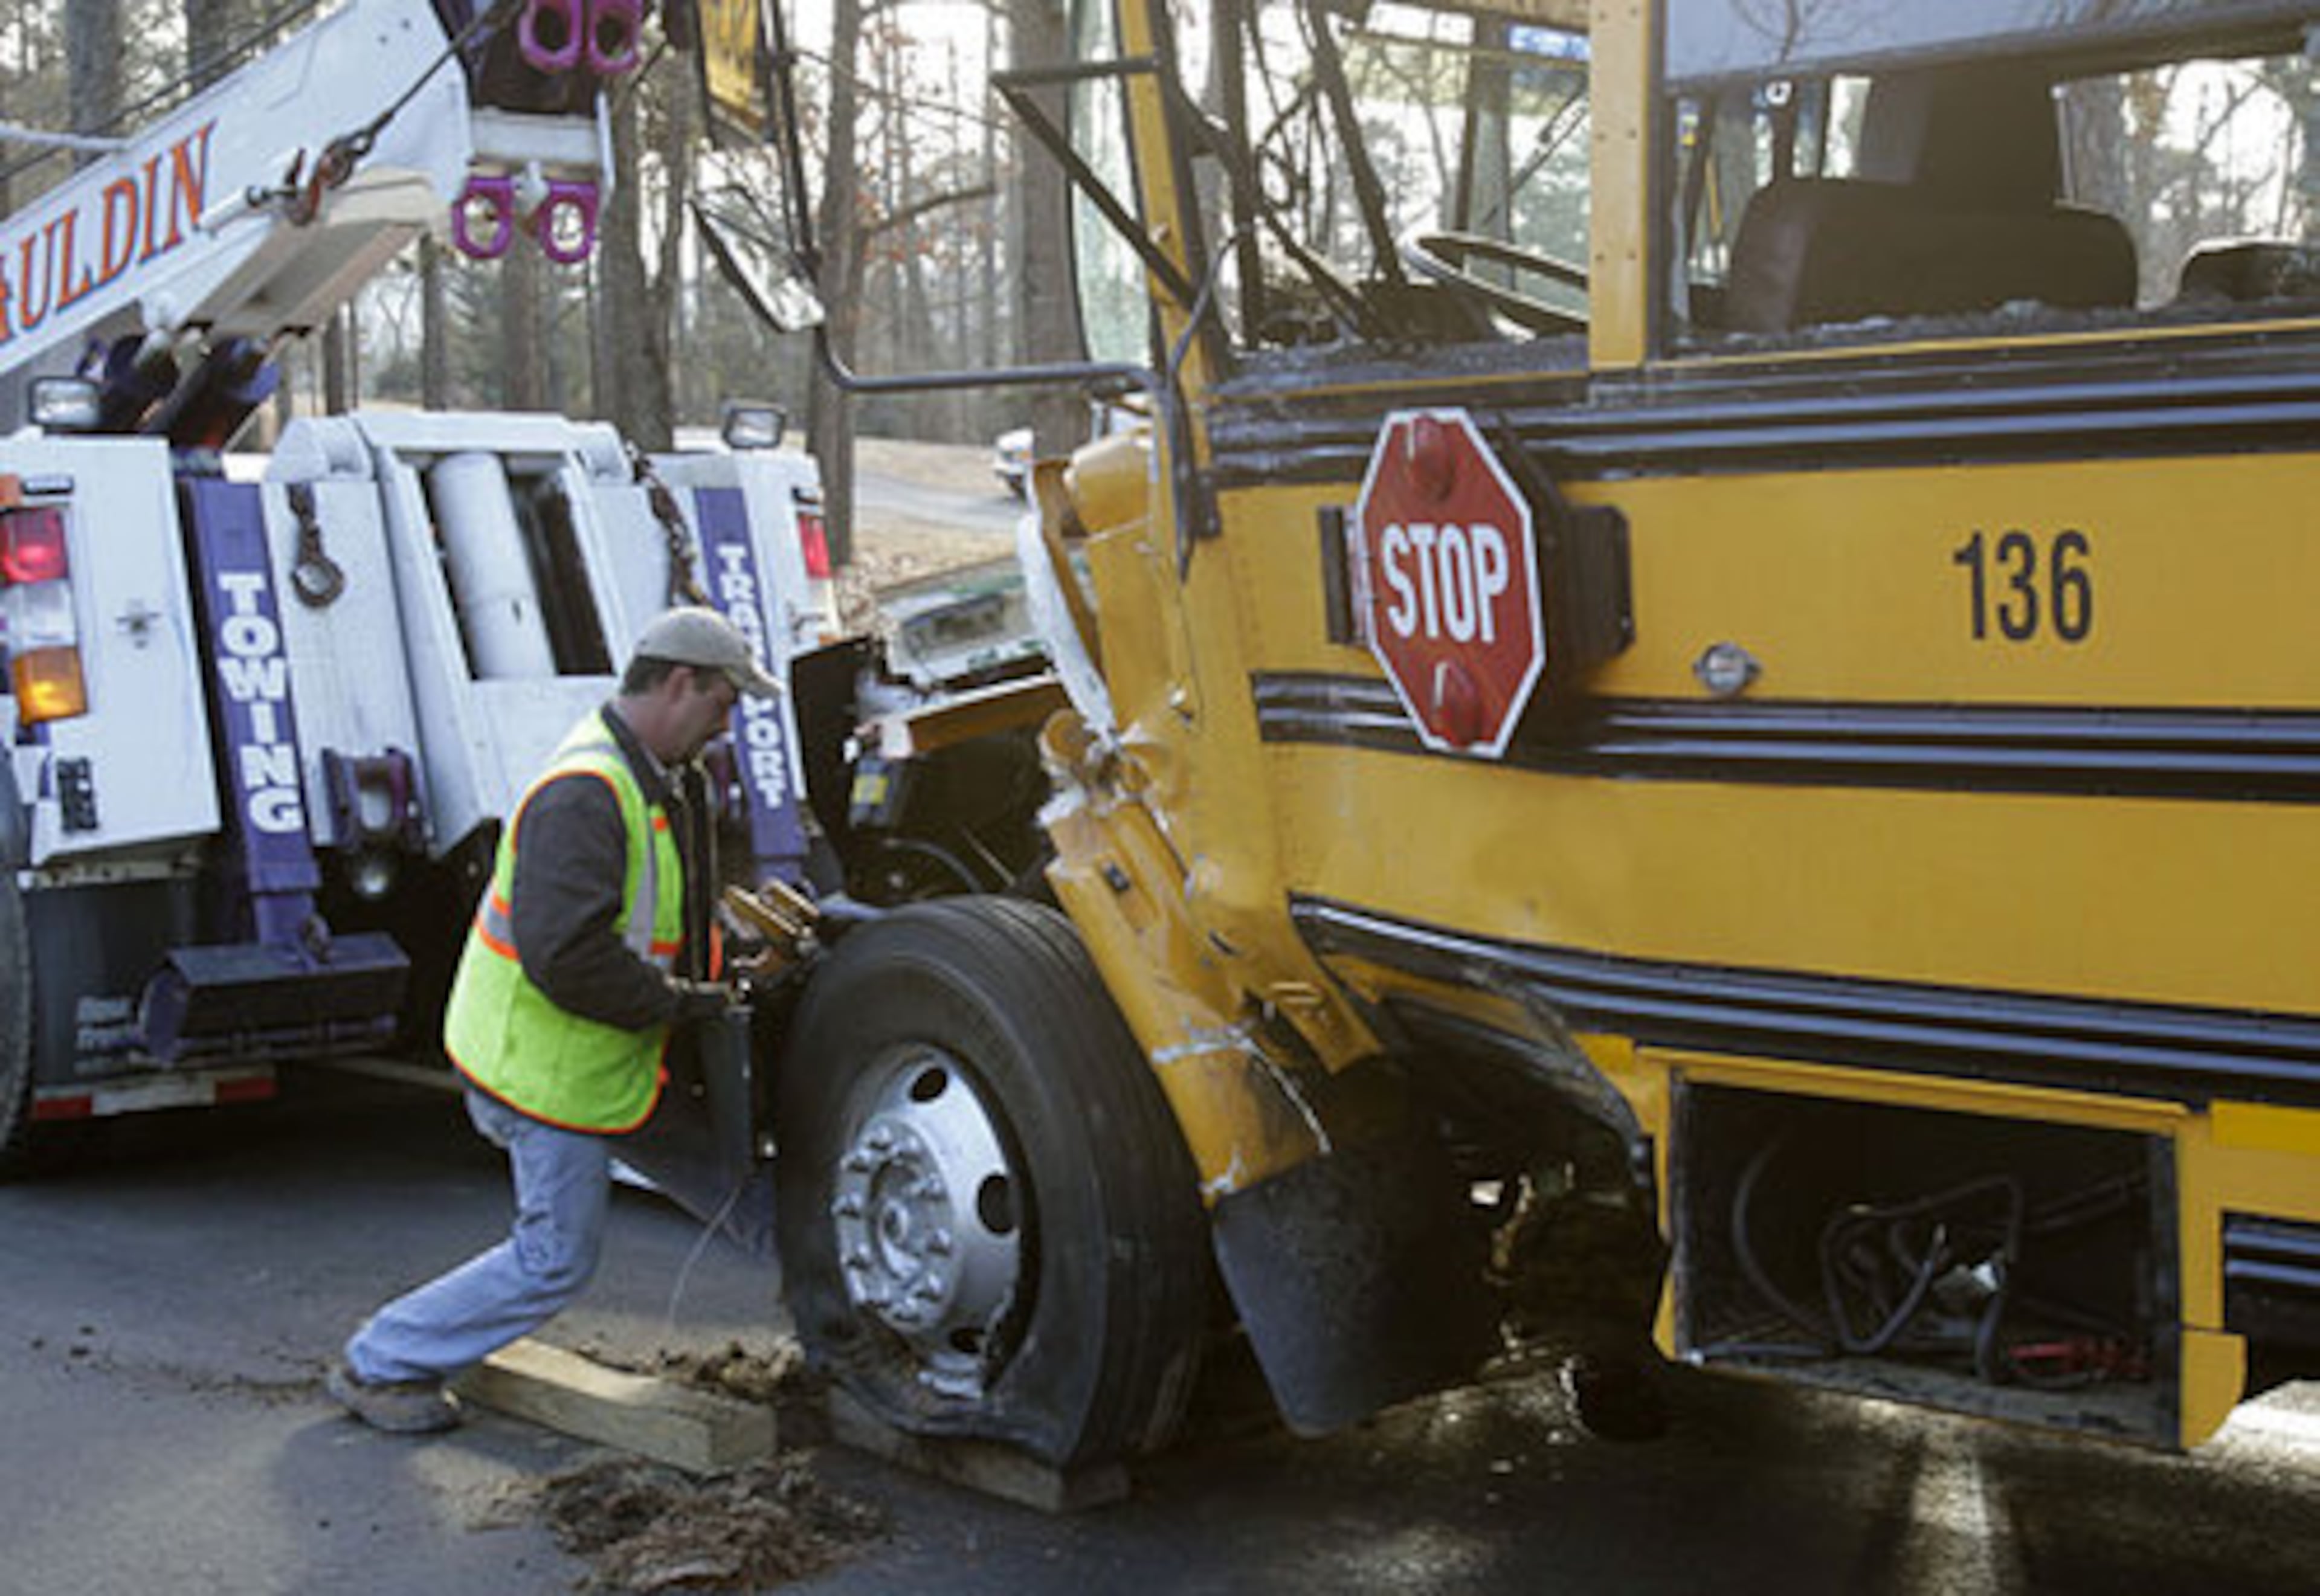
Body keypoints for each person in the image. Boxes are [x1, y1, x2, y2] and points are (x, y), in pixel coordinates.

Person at [327, 606, 780, 1434]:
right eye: (724, 703)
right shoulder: (587, 792)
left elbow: (671, 910)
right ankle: (381, 1361)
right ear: (680, 683)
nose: (728, 724)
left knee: (750, 1191)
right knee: (555, 1259)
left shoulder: (665, 778)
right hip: (542, 1068)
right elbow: (569, 959)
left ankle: (849, 1338)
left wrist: (729, 965)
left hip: (615, 1054)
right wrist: (690, 1005)